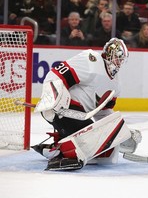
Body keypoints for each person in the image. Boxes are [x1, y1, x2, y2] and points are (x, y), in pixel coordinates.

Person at [32, 37, 142, 171]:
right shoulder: (91, 61)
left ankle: (56, 147)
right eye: (117, 57)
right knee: (90, 140)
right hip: (62, 109)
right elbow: (56, 75)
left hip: (80, 115)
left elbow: (103, 112)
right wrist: (52, 100)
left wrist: (120, 131)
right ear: (109, 54)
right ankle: (65, 155)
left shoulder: (116, 85)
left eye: (121, 59)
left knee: (103, 145)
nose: (119, 62)